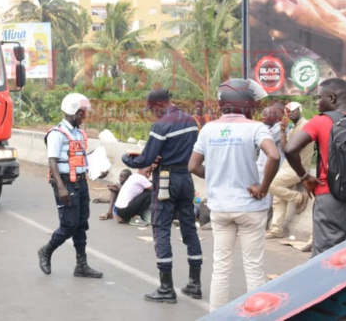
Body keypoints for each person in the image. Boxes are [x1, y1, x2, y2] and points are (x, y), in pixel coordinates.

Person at [188, 78, 280, 312]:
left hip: (220, 208)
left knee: (221, 267)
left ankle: (216, 316)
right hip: (251, 207)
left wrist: (217, 176)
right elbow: (274, 156)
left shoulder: (208, 129)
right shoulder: (255, 127)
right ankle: (258, 317)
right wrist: (263, 187)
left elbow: (193, 166)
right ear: (245, 103)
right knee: (253, 268)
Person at [122, 88, 202, 304]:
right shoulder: (190, 120)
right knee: (189, 227)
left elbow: (146, 159)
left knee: (160, 228)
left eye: (151, 109)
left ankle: (166, 287)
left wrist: (127, 159)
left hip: (167, 179)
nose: (152, 113)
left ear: (158, 104)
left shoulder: (162, 124)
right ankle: (195, 284)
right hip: (186, 178)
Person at [284, 78, 346, 256]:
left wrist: (305, 177)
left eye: (320, 98)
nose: (317, 102)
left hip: (328, 196)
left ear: (332, 98)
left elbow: (290, 149)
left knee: (325, 256)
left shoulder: (319, 122)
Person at [38, 93, 103, 279]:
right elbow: (52, 162)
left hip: (81, 183)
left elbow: (79, 156)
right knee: (69, 224)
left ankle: (81, 265)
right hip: (66, 183)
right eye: (81, 114)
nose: (84, 117)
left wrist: (97, 168)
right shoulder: (57, 134)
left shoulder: (79, 133)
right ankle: (46, 250)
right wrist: (60, 187)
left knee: (81, 224)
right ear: (72, 112)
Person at [265, 101, 313, 239]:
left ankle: (299, 197)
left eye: (294, 110)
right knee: (278, 198)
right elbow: (285, 149)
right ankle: (276, 229)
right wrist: (282, 131)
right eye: (288, 111)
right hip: (288, 166)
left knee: (271, 185)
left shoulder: (306, 125)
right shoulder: (293, 129)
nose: (291, 113)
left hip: (298, 167)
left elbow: (294, 149)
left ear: (300, 110)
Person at [256, 105, 285, 176]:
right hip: (262, 165)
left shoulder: (281, 127)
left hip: (274, 168)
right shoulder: (267, 126)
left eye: (265, 115)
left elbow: (267, 138)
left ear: (273, 116)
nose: (262, 118)